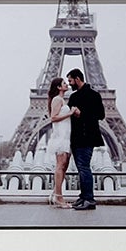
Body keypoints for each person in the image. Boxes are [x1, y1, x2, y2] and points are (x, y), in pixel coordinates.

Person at [64, 66, 106, 210]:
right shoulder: (73, 97)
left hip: (87, 137)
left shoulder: (94, 95)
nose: (69, 84)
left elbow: (101, 115)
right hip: (76, 138)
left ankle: (89, 199)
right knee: (81, 168)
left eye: (70, 81)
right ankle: (83, 197)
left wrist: (81, 114)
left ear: (77, 79)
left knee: (84, 168)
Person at [42, 76, 74, 206]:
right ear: (58, 87)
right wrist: (70, 113)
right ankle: (59, 198)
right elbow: (53, 118)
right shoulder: (57, 99)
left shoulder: (61, 100)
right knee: (60, 166)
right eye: (64, 83)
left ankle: (55, 193)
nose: (67, 84)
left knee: (64, 166)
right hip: (60, 136)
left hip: (66, 136)